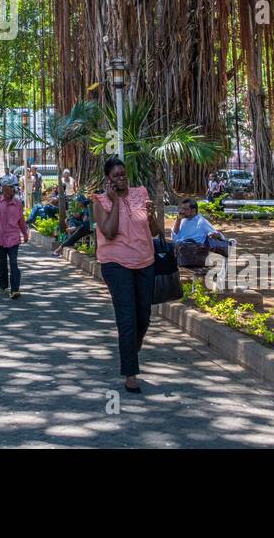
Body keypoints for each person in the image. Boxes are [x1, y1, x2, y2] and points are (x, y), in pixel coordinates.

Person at [93, 156, 164, 394]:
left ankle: (131, 350)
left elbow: (153, 231)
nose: (122, 178)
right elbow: (110, 232)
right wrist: (113, 202)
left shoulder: (140, 194)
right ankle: (130, 375)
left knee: (143, 317)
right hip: (115, 264)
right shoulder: (100, 201)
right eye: (116, 175)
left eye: (124, 174)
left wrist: (153, 215)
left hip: (145, 261)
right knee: (127, 319)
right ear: (108, 179)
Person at [0, 174, 29, 299]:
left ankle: (15, 289)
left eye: (10, 187)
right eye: (6, 187)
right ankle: (3, 286)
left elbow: (21, 221)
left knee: (13, 263)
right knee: (1, 263)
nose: (8, 190)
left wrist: (25, 233)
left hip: (13, 239)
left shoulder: (18, 203)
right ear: (2, 188)